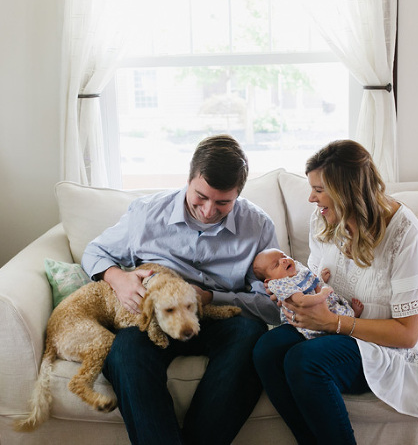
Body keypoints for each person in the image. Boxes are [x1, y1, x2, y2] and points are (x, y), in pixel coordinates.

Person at [252, 139, 418, 445]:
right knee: (267, 349)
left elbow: (407, 335)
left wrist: (333, 323)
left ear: (347, 191)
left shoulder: (404, 234)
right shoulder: (324, 219)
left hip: (384, 343)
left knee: (304, 361)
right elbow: (316, 281)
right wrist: (291, 295)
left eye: (319, 189)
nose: (311, 198)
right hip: (332, 326)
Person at [82, 134, 280, 445]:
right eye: (200, 196)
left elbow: (272, 306)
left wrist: (212, 297)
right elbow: (94, 252)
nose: (208, 210)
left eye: (223, 202)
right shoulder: (147, 213)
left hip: (219, 320)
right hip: (156, 320)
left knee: (251, 336)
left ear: (238, 195)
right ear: (188, 179)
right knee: (123, 351)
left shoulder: (258, 226)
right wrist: (117, 278)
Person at [252, 248, 363, 339]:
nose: (284, 260)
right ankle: (352, 318)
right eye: (276, 265)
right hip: (308, 314)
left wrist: (320, 279)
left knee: (335, 305)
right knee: (333, 313)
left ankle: (351, 317)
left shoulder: (296, 271)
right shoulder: (280, 284)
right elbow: (301, 301)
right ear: (268, 281)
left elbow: (311, 282)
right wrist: (322, 295)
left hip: (321, 302)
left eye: (283, 256)